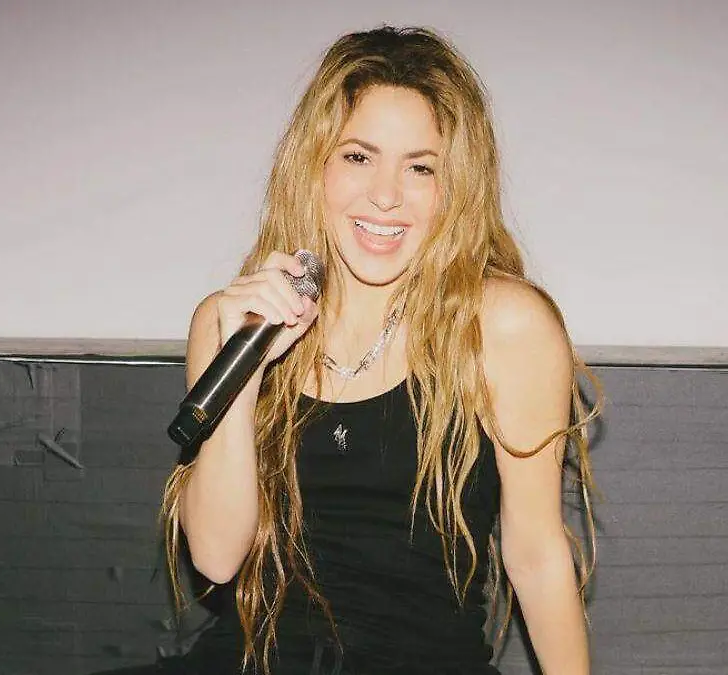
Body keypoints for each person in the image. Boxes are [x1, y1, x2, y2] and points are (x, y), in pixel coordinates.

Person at [99, 25, 603, 675]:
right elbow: (217, 558)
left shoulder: (503, 325)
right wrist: (247, 371)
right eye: (359, 157)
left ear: (456, 188)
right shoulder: (232, 323)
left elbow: (536, 557)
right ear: (315, 165)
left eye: (420, 167)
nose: (386, 195)